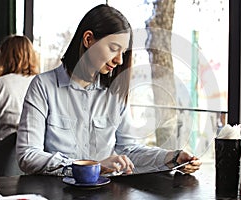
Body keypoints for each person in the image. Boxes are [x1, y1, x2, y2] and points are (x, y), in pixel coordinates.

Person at [16, 4, 201, 176]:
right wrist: (91, 166)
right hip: (53, 192)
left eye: (123, 52)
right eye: (114, 48)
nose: (119, 60)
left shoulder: (113, 93)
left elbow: (128, 150)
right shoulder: (42, 86)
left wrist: (172, 158)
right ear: (88, 39)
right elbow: (28, 155)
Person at [0, 35, 39, 141]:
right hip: (36, 149)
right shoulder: (41, 83)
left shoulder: (0, 83)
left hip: (4, 150)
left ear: (5, 56)